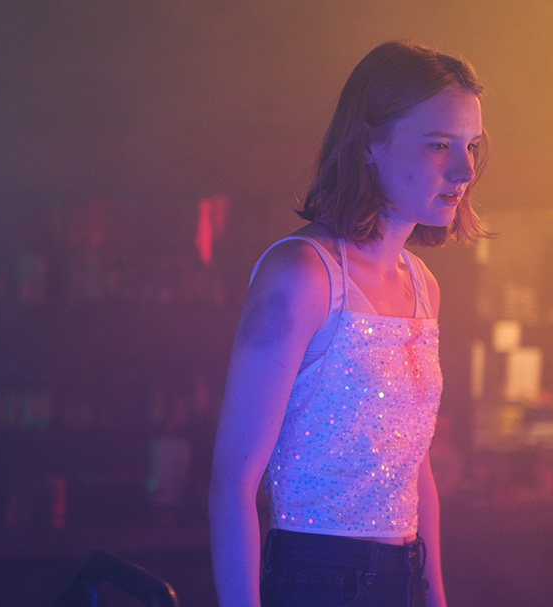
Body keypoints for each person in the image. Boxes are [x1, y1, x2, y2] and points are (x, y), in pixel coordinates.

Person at [209, 40, 490, 607]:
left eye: (472, 147)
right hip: (316, 577)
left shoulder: (424, 285)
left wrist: (434, 594)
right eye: (439, 144)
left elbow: (414, 465)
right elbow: (232, 485)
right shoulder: (302, 274)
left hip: (403, 575)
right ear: (368, 143)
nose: (464, 170)